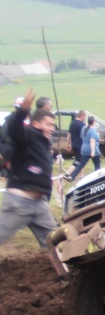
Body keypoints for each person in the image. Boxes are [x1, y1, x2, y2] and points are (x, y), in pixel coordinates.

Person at [0, 90, 58, 248]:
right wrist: (23, 110)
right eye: (48, 124)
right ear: (36, 124)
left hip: (39, 205)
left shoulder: (43, 142)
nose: (52, 128)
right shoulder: (28, 134)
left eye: (53, 125)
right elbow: (13, 129)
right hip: (19, 203)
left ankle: (63, 271)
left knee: (56, 244)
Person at [65, 116, 101, 181]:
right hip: (93, 149)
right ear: (93, 122)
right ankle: (97, 178)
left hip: (84, 149)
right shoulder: (93, 130)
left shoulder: (84, 128)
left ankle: (72, 176)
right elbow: (92, 140)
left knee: (81, 164)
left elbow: (81, 137)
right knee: (97, 165)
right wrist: (92, 151)